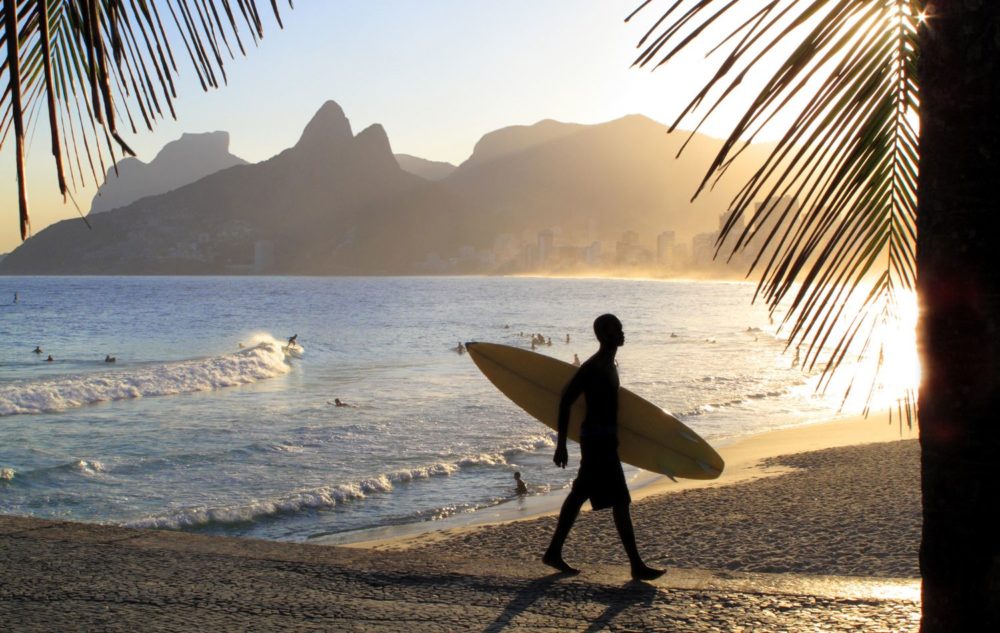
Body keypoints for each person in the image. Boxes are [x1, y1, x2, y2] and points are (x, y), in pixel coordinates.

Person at [542, 314, 664, 581]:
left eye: (621, 327)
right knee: (620, 500)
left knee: (580, 495)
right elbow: (565, 401)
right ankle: (636, 565)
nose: (622, 332)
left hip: (604, 439)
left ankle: (553, 552)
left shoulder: (611, 363)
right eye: (616, 329)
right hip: (597, 441)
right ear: (603, 335)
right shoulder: (594, 366)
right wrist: (561, 445)